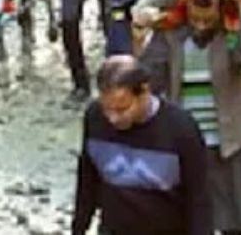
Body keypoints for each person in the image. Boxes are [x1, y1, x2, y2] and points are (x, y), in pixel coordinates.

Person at [141, 0, 241, 235]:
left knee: (236, 218)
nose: (200, 25)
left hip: (231, 142)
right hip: (187, 143)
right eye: (194, 18)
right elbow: (148, 79)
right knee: (191, 217)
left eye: (207, 19)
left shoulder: (233, 34)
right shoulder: (170, 36)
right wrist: (139, 36)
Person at [74, 56, 212, 235]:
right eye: (106, 108)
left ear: (144, 92)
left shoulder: (180, 128)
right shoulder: (94, 118)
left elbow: (199, 199)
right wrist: (78, 228)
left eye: (122, 109)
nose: (112, 118)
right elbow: (87, 181)